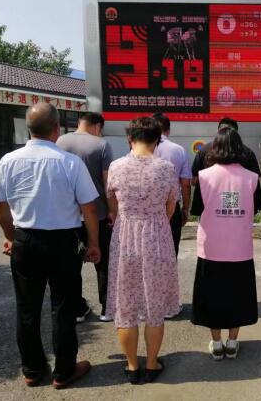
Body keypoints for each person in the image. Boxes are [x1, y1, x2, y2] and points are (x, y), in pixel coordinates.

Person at [0, 103, 99, 389]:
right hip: (63, 242)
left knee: (27, 309)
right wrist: (93, 243)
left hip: (25, 239)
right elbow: (89, 209)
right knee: (63, 307)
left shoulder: (8, 160)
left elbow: (2, 209)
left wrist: (11, 238)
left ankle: (33, 369)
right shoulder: (70, 163)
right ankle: (64, 371)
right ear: (56, 129)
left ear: (29, 128)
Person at [105, 117, 180, 384]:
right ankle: (151, 364)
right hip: (157, 236)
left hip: (124, 237)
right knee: (154, 305)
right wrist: (156, 222)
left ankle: (131, 365)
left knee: (126, 304)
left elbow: (112, 204)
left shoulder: (116, 167)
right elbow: (171, 206)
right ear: (157, 140)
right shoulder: (166, 168)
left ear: (130, 138)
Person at [191, 127, 261, 360]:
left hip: (211, 248)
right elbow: (256, 209)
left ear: (215, 148)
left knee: (212, 296)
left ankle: (216, 342)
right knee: (237, 296)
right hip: (240, 247)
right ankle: (232, 342)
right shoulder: (252, 178)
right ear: (240, 149)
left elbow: (196, 210)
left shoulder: (204, 176)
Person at [57, 112, 114, 323]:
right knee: (104, 263)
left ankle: (77, 309)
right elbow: (108, 182)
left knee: (71, 266)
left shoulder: (59, 142)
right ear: (98, 126)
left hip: (68, 217)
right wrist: (112, 210)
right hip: (98, 213)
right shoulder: (102, 145)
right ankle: (107, 308)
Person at [152, 112, 192, 319]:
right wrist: (185, 209)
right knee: (169, 254)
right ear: (168, 129)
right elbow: (185, 183)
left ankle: (149, 302)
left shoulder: (138, 148)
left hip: (146, 210)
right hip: (171, 207)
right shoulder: (178, 150)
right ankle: (168, 303)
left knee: (147, 255)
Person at [191, 117, 261, 215]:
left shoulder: (204, 150)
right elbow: (255, 183)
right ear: (236, 134)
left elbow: (194, 180)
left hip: (209, 205)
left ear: (218, 132)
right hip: (238, 208)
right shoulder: (247, 152)